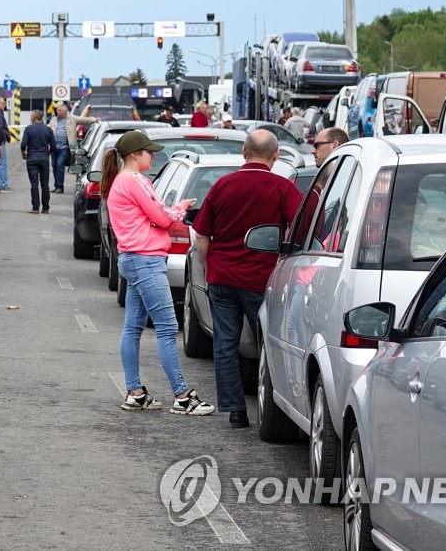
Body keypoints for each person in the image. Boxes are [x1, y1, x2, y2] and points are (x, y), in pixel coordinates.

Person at [101, 130, 217, 416]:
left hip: (132, 258)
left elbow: (152, 218)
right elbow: (163, 217)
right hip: (146, 260)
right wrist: (181, 207)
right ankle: (182, 396)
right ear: (133, 155)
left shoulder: (120, 181)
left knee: (133, 327)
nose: (153, 156)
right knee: (166, 328)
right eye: (148, 152)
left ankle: (135, 393)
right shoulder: (134, 181)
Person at [192, 130, 302, 429]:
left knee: (225, 344)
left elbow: (202, 235)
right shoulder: (283, 188)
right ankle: (273, 405)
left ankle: (235, 410)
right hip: (262, 281)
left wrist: (210, 266)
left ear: (244, 151)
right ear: (275, 155)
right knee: (268, 344)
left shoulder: (221, 186)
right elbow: (301, 232)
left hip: (222, 278)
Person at [48, 104, 97, 193]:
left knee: (60, 165)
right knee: (54, 166)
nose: (57, 112)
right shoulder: (53, 120)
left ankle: (60, 187)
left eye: (60, 110)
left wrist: (94, 120)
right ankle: (56, 185)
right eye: (57, 110)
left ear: (65, 112)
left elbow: (84, 120)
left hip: (64, 148)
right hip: (54, 148)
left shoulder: (72, 119)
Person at [19, 109, 56, 214]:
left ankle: (35, 208)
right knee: (45, 185)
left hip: (32, 159)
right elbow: (53, 146)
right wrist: (48, 153)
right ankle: (45, 208)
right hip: (44, 159)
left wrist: (23, 154)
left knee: (34, 184)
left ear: (34, 118)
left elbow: (23, 145)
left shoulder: (29, 129)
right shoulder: (48, 130)